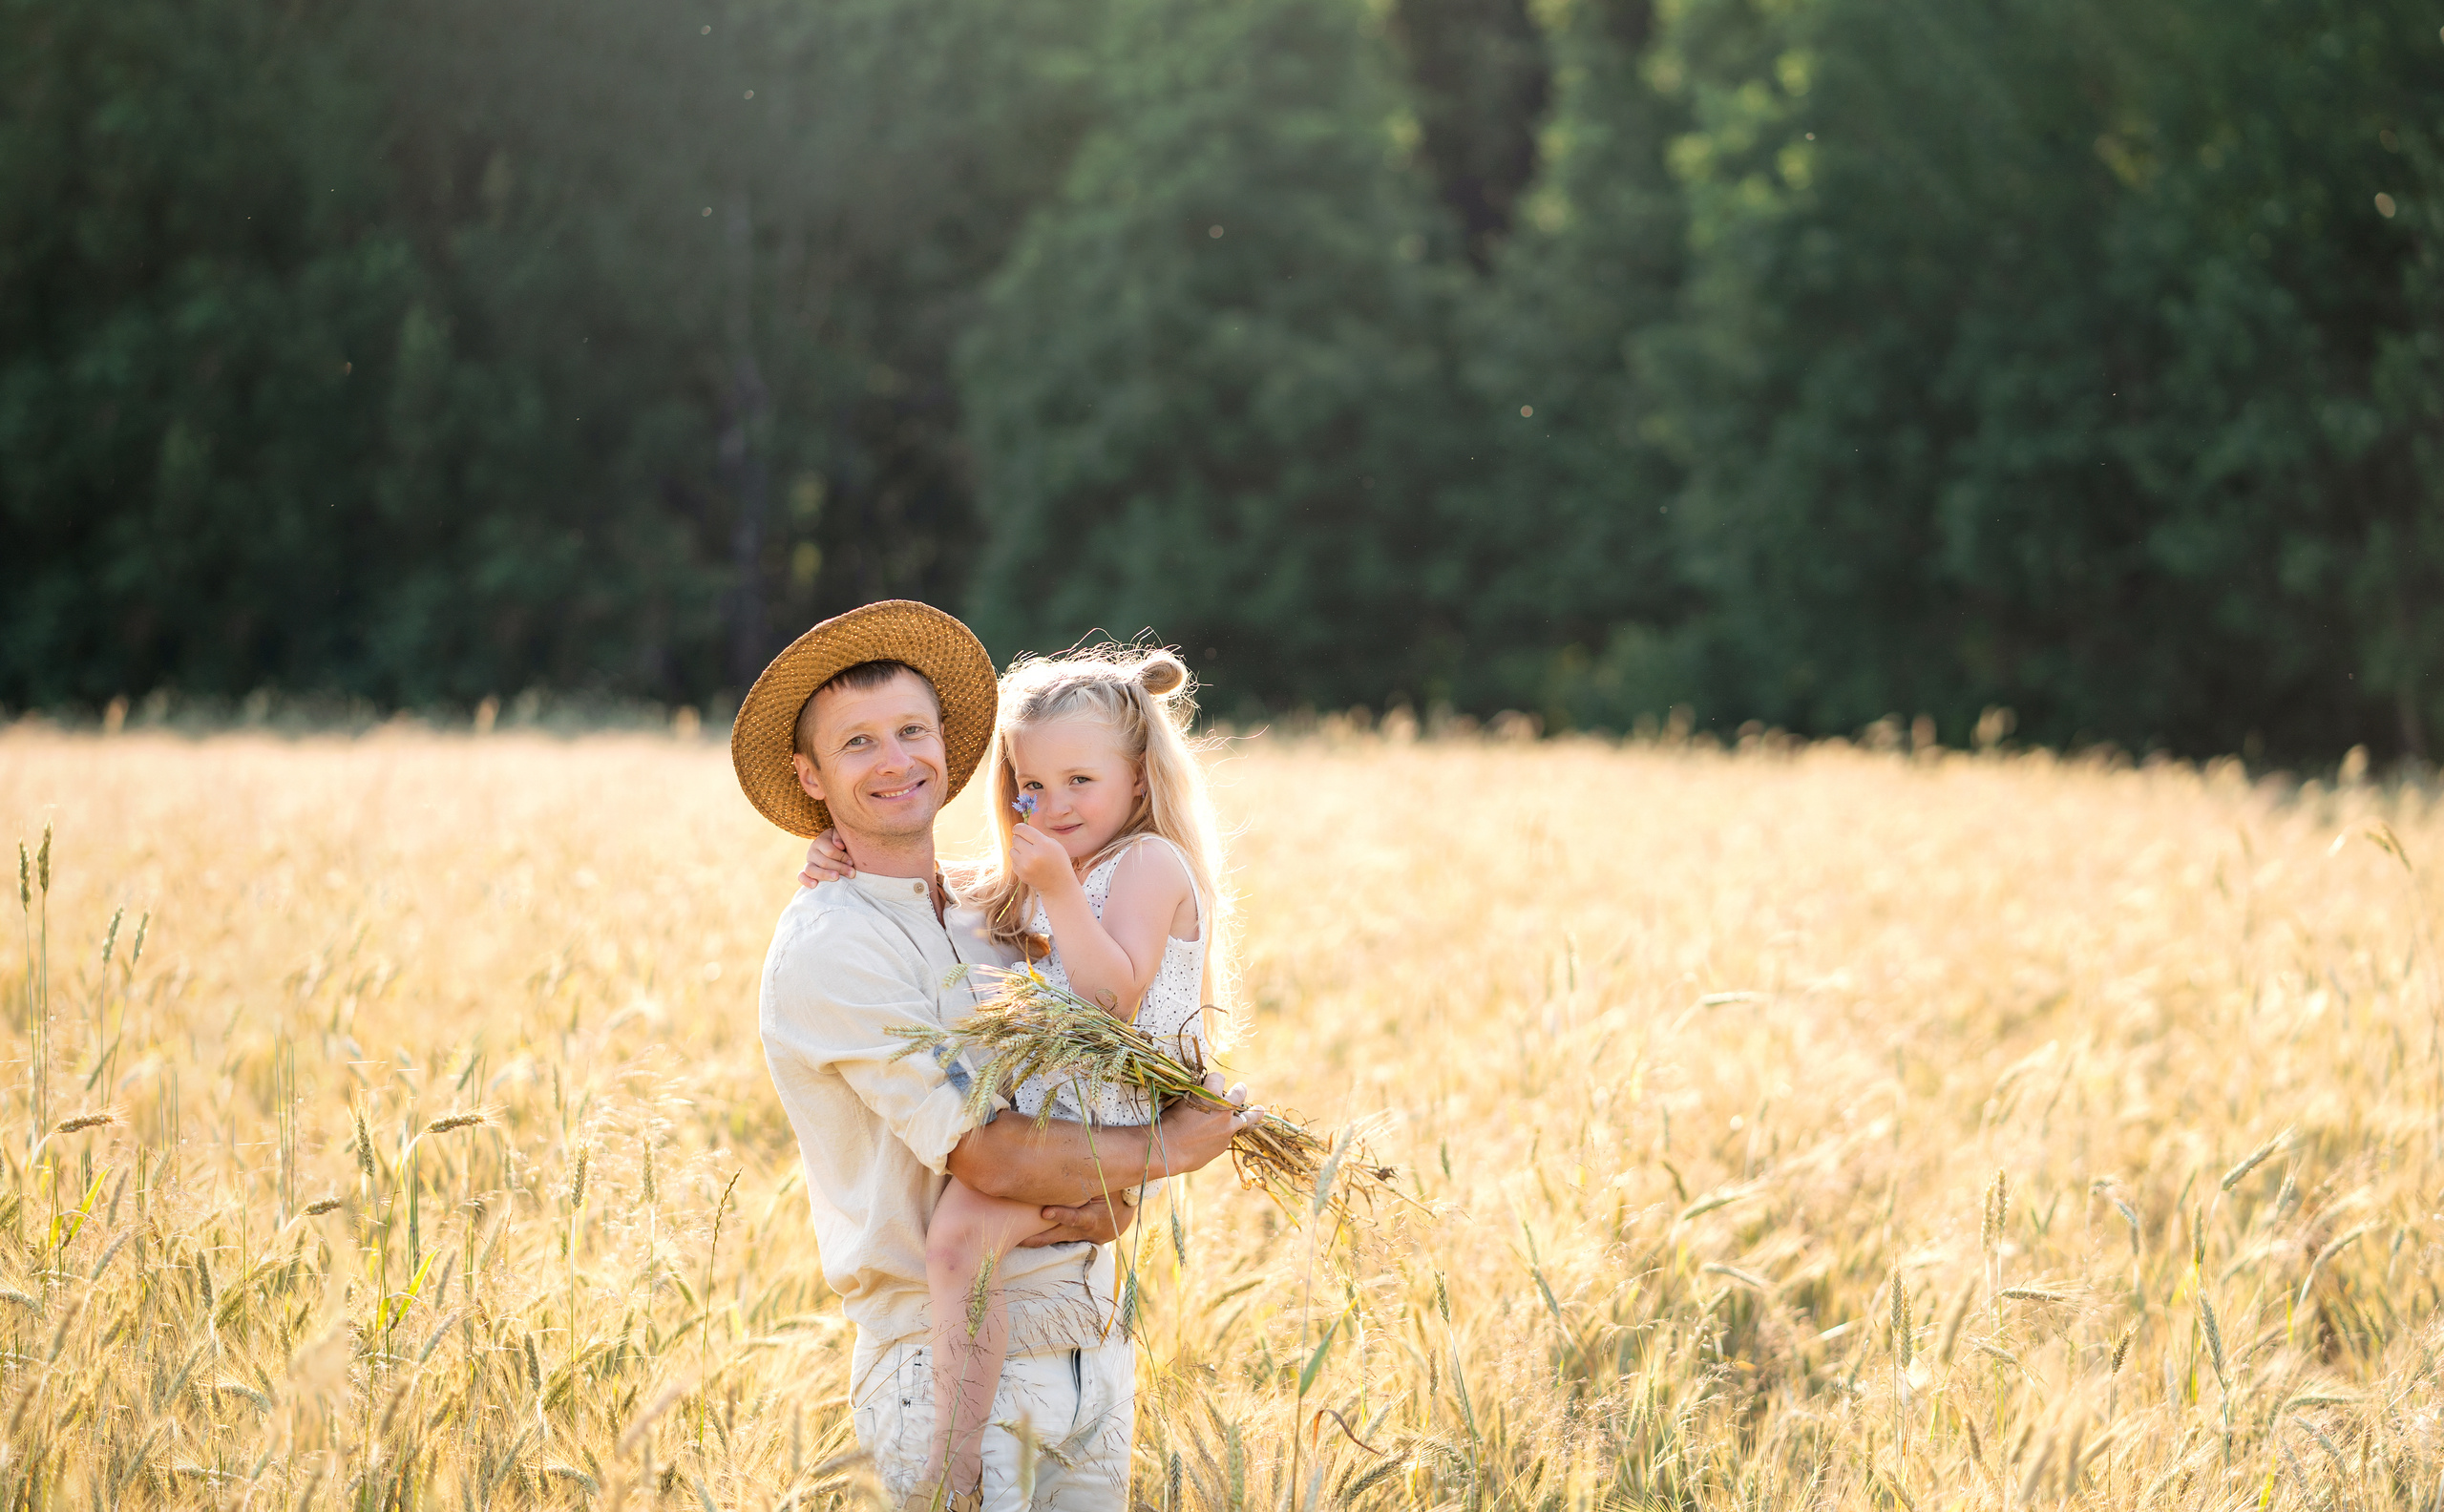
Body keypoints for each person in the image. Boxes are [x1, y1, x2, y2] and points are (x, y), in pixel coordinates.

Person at [732, 602, 1258, 1512]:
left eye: (912, 731)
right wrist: (1166, 1151)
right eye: (857, 744)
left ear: (947, 746)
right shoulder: (833, 944)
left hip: (1091, 1350)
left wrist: (1113, 1191)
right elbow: (990, 1154)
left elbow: (1105, 1042)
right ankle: (952, 1469)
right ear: (810, 776)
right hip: (944, 1373)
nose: (896, 762)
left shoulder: (996, 910)